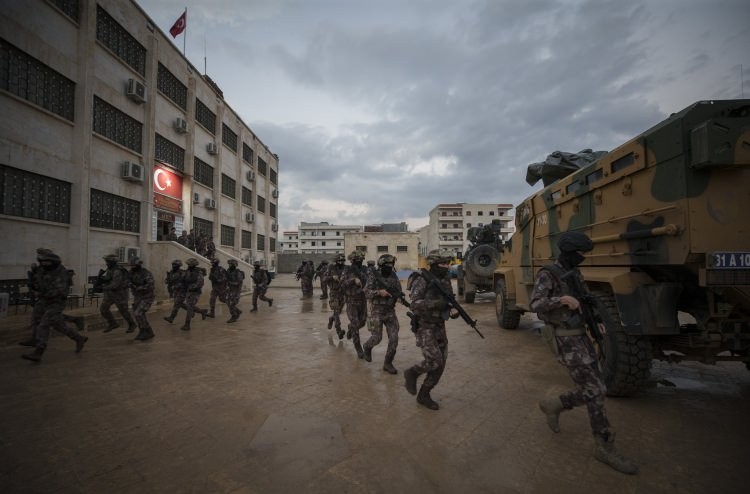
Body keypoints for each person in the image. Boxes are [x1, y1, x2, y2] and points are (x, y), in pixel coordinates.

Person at [530, 231, 638, 475]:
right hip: (565, 339)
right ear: (569, 252)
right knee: (595, 390)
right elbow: (535, 304)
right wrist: (561, 299)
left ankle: (555, 404)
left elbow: (586, 299)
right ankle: (604, 445)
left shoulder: (574, 273)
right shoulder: (549, 274)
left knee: (596, 386)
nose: (582, 258)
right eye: (580, 254)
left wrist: (597, 320)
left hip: (582, 336)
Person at [403, 249, 458, 410]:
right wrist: (434, 304)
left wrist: (452, 310)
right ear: (433, 264)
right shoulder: (421, 280)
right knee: (434, 360)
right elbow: (414, 304)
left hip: (440, 326)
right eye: (443, 263)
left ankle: (424, 394)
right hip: (424, 326)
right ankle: (412, 372)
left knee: (441, 364)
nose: (447, 267)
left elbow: (449, 300)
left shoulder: (445, 280)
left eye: (448, 263)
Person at [21, 248, 87, 362]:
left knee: (44, 324)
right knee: (51, 323)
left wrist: (40, 292)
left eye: (45, 261)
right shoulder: (42, 269)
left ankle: (39, 351)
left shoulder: (61, 272)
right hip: (43, 300)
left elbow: (59, 291)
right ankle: (78, 337)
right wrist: (32, 282)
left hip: (56, 302)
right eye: (41, 260)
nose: (43, 264)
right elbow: (37, 284)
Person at [363, 254, 402, 374]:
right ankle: (367, 346)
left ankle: (388, 363)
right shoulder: (373, 275)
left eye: (391, 265)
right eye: (387, 265)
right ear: (381, 265)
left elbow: (398, 289)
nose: (390, 267)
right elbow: (366, 292)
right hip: (376, 311)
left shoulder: (393, 275)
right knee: (377, 338)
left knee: (394, 338)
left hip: (390, 311)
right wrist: (379, 292)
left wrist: (399, 296)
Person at [100, 254, 137, 333]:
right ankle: (112, 323)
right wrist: (102, 280)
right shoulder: (110, 269)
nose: (106, 263)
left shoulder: (118, 270)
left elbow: (115, 284)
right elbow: (108, 279)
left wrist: (104, 288)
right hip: (111, 293)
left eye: (108, 261)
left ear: (112, 262)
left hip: (120, 294)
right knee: (103, 309)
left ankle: (132, 324)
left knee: (123, 311)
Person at [341, 250, 368, 358]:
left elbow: (370, 281)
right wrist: (353, 280)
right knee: (356, 324)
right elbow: (342, 283)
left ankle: (350, 328)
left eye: (361, 259)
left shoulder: (365, 269)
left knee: (362, 323)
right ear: (352, 260)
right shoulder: (347, 270)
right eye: (357, 259)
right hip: (352, 301)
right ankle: (358, 347)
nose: (360, 261)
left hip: (363, 300)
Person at [129, 257, 155, 341]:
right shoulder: (131, 272)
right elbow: (127, 280)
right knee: (139, 314)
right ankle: (148, 331)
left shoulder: (146, 273)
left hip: (147, 296)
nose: (133, 267)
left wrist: (139, 288)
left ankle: (143, 331)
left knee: (138, 313)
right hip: (138, 297)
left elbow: (150, 285)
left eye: (134, 266)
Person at [180, 258, 208, 330]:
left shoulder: (198, 273)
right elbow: (183, 280)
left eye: (190, 265)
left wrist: (191, 287)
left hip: (195, 293)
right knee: (181, 304)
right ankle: (202, 311)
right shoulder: (187, 272)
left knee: (189, 307)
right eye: (188, 264)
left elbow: (200, 283)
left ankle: (187, 324)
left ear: (193, 265)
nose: (188, 266)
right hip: (187, 292)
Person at [325, 254, 347, 339]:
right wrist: (332, 277)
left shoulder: (346, 268)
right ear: (336, 261)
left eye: (342, 261)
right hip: (334, 293)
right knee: (337, 312)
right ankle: (339, 331)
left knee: (337, 312)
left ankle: (331, 319)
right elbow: (324, 278)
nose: (341, 262)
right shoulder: (331, 268)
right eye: (339, 261)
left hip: (343, 293)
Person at [164, 259, 185, 324]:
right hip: (175, 291)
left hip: (181, 291)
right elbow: (168, 280)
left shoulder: (182, 273)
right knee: (180, 304)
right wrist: (167, 280)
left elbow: (183, 282)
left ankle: (171, 318)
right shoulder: (171, 272)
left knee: (176, 305)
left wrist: (176, 286)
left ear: (179, 266)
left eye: (175, 265)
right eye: (173, 264)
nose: (173, 266)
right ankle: (199, 311)